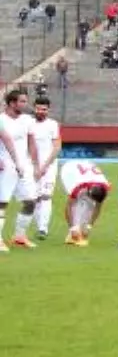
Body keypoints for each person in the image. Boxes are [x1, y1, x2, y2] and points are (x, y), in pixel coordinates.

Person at [0, 89, 38, 251]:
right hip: (5, 165)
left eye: (25, 101)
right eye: (21, 101)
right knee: (2, 203)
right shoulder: (1, 119)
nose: (25, 104)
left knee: (31, 201)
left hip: (24, 165)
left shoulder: (27, 120)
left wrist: (34, 163)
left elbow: (31, 141)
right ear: (11, 103)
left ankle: (19, 236)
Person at [30, 95, 61, 240]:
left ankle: (43, 228)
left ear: (48, 110)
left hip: (48, 166)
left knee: (46, 196)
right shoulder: (28, 123)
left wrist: (45, 166)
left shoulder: (53, 124)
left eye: (44, 109)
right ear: (34, 108)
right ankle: (39, 226)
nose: (41, 111)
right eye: (38, 108)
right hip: (30, 165)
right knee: (34, 197)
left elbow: (56, 147)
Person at [60, 160, 111, 246]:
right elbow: (68, 206)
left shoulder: (105, 186)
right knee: (78, 202)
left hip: (86, 172)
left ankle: (81, 230)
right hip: (69, 171)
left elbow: (98, 207)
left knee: (90, 204)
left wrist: (89, 226)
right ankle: (74, 233)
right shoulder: (77, 186)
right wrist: (72, 228)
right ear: (89, 191)